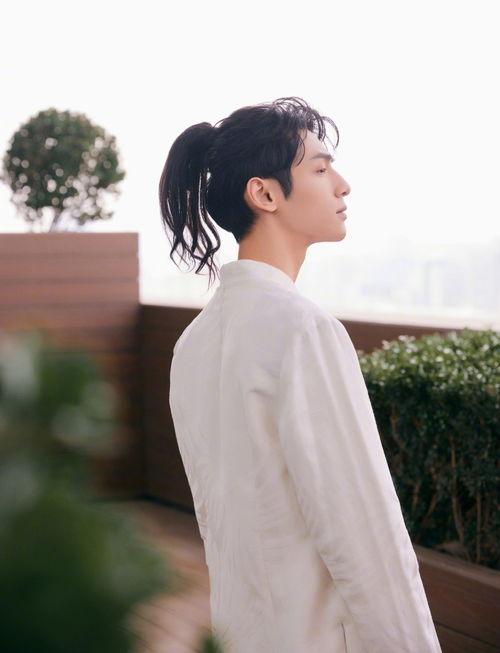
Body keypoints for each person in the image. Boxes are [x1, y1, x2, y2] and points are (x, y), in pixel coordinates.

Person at [159, 96, 442, 652]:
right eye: (319, 168)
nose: (342, 185)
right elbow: (364, 532)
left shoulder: (191, 343)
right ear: (264, 194)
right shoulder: (304, 331)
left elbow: (218, 528)